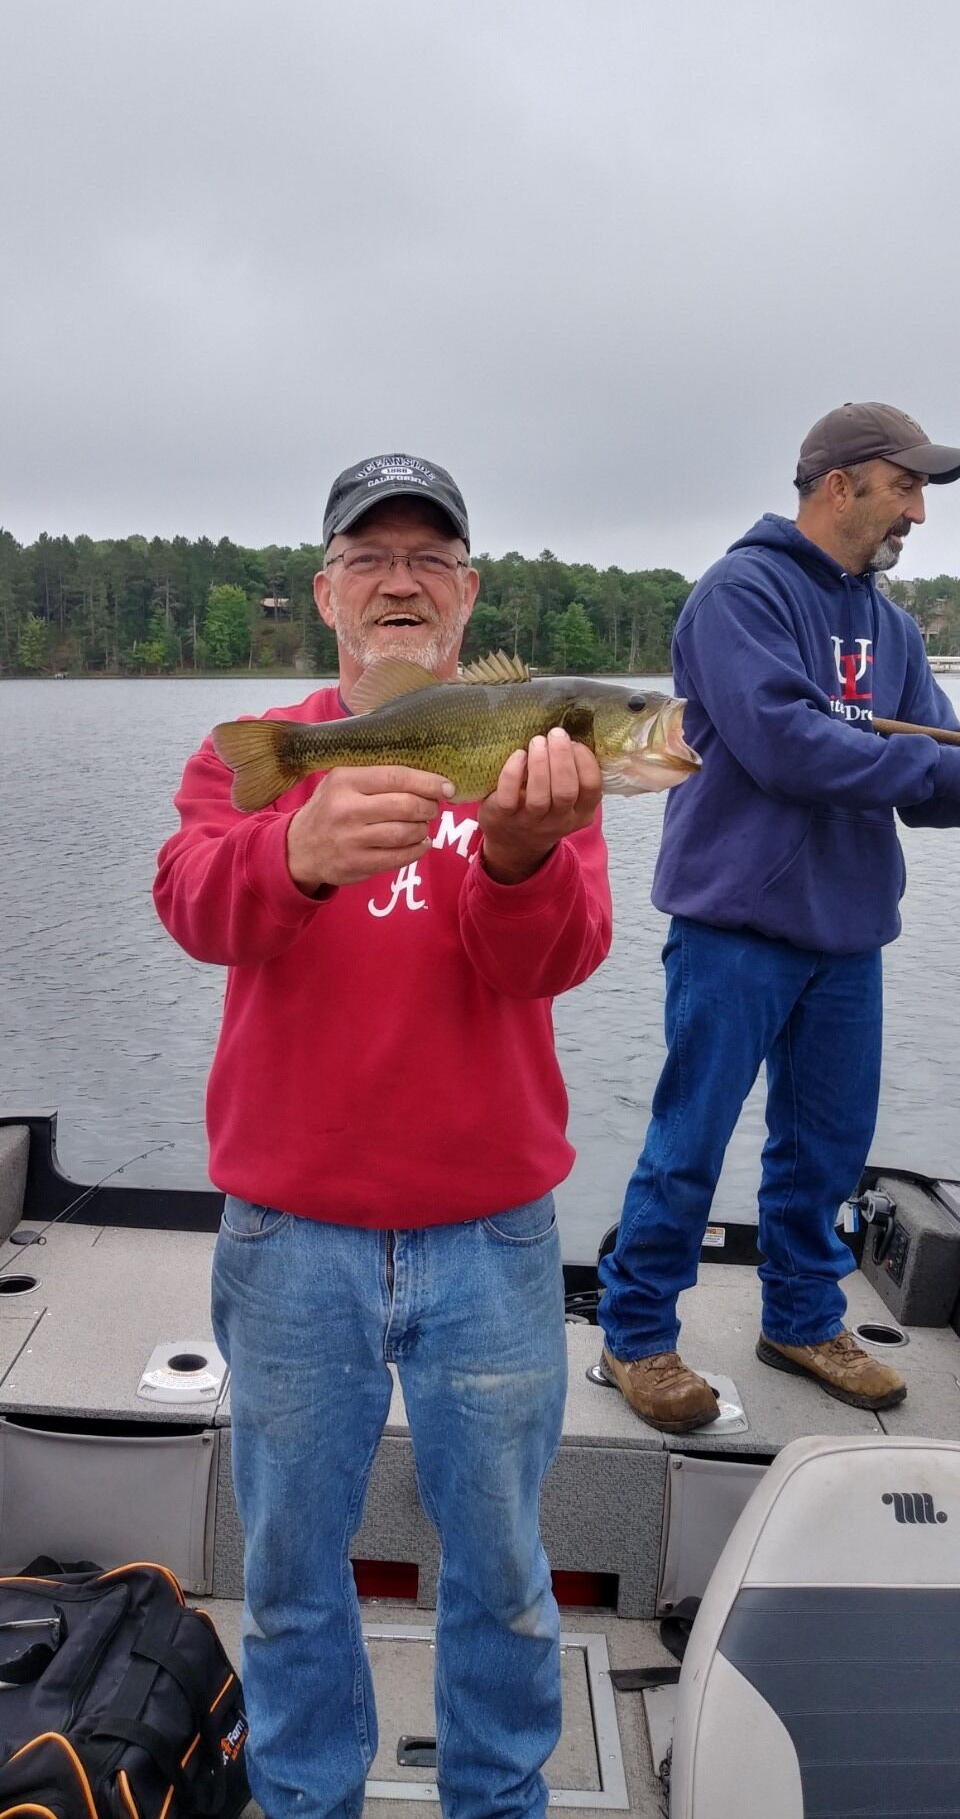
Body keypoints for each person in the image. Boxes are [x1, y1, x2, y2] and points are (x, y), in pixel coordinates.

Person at [153, 451, 612, 1819]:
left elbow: (553, 962)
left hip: (494, 1238)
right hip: (291, 1237)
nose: (399, 581)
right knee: (292, 1573)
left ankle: (500, 1799)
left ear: (467, 592)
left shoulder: (538, 751)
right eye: (370, 557)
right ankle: (305, 1800)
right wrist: (292, 854)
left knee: (505, 1570)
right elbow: (190, 904)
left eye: (428, 559)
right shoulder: (257, 751)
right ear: (327, 591)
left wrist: (520, 858)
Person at [598, 401, 960, 1432]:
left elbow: (935, 775)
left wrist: (933, 765)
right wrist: (909, 756)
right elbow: (785, 748)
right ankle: (637, 1333)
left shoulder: (893, 628)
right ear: (839, 485)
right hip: (735, 925)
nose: (919, 513)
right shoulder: (739, 595)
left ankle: (803, 1320)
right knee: (691, 1140)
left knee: (826, 1153)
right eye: (905, 487)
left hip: (848, 932)